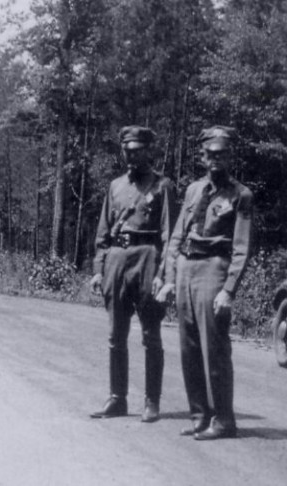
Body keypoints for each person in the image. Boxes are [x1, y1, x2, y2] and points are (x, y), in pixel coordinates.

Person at [156, 126, 253, 440]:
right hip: (186, 268)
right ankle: (200, 414)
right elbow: (176, 236)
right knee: (189, 348)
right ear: (202, 156)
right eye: (210, 154)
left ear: (230, 156)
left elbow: (241, 247)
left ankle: (224, 420)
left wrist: (229, 289)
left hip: (213, 269)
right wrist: (170, 278)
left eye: (222, 153)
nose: (216, 160)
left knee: (215, 348)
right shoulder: (193, 190)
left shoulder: (241, 195)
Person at [90, 126, 175, 422]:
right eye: (127, 149)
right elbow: (103, 232)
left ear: (148, 151)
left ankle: (152, 401)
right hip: (116, 259)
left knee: (151, 335)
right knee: (116, 335)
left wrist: (163, 274)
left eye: (137, 149)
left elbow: (170, 235)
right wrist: (99, 270)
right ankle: (117, 398)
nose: (131, 154)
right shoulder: (115, 186)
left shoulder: (162, 186)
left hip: (148, 257)